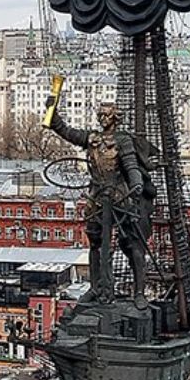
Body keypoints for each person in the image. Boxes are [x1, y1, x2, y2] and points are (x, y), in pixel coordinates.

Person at [46, 99, 155, 304]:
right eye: (101, 115)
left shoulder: (122, 141)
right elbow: (66, 131)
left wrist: (136, 184)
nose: (103, 118)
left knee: (133, 244)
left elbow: (131, 165)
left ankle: (139, 293)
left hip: (119, 196)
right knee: (95, 243)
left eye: (107, 115)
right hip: (97, 196)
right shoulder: (91, 138)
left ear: (115, 118)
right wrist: (52, 111)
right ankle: (96, 288)